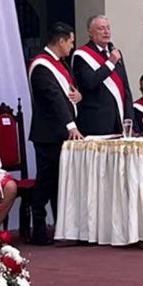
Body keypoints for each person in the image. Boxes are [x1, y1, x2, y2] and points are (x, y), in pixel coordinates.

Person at [28, 22, 83, 245]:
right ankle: (38, 228)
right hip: (48, 134)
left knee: (61, 182)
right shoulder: (41, 65)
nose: (72, 46)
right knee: (46, 181)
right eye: (70, 42)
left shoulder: (61, 64)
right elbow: (53, 97)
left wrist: (78, 96)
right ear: (60, 41)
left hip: (62, 133)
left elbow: (68, 92)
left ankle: (62, 227)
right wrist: (71, 126)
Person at [72, 15, 134, 135]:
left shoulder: (114, 52)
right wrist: (110, 63)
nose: (106, 32)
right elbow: (90, 83)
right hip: (96, 122)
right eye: (101, 28)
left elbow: (125, 86)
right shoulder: (82, 55)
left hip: (119, 119)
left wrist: (129, 117)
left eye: (108, 28)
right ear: (90, 32)